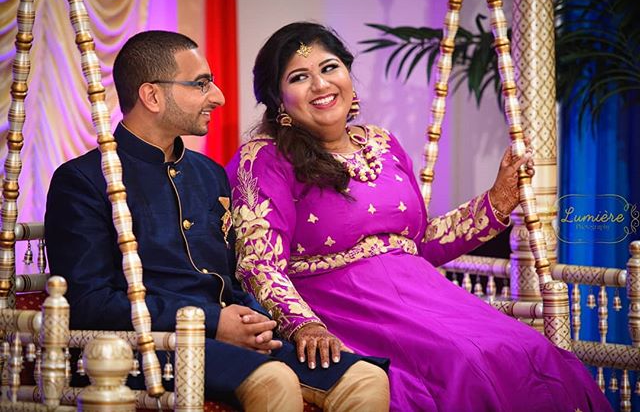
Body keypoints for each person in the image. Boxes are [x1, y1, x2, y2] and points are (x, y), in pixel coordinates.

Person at [226, 22, 612, 412]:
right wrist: (303, 325)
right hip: (346, 308)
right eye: (299, 77)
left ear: (348, 74)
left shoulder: (382, 142)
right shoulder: (264, 158)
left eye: (329, 68)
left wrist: (497, 200)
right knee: (465, 365)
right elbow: (259, 263)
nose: (321, 85)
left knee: (528, 349)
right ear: (278, 99)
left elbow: (421, 241)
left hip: (425, 296)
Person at [44, 30, 390, 412]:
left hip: (228, 341)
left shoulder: (208, 173)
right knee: (273, 380)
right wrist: (212, 321)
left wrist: (254, 322)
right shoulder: (84, 180)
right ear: (152, 96)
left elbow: (226, 278)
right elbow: (89, 303)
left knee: (365, 378)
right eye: (201, 84)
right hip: (148, 347)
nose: (218, 97)